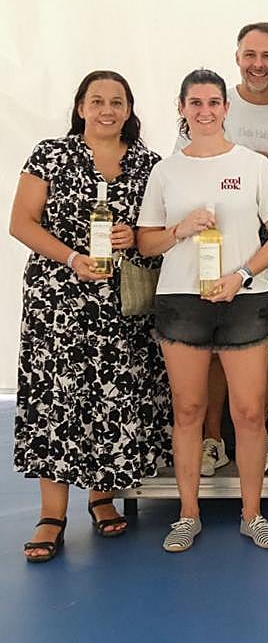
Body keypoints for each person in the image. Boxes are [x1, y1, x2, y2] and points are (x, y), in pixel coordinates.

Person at [10, 71, 171, 562]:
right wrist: (72, 258)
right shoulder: (51, 155)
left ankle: (102, 496)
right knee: (56, 399)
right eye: (97, 100)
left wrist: (133, 238)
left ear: (129, 109)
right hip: (57, 300)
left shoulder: (148, 164)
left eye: (116, 101)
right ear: (81, 107)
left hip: (122, 306)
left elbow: (157, 233)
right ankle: (52, 513)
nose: (107, 109)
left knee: (112, 397)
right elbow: (21, 223)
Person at [137, 69, 268, 552]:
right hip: (183, 299)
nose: (205, 110)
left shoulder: (253, 165)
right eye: (195, 102)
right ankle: (187, 514)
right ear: (181, 108)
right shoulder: (165, 170)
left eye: (213, 102)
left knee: (248, 413)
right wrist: (181, 230)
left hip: (244, 297)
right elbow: (146, 242)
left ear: (227, 108)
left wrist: (241, 276)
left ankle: (253, 514)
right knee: (188, 410)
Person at [195, 22, 268, 479]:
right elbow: (183, 170)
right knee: (211, 350)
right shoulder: (212, 105)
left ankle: (255, 440)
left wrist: (266, 173)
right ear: (237, 57)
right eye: (250, 54)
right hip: (211, 251)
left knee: (264, 352)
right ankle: (212, 442)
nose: (258, 64)